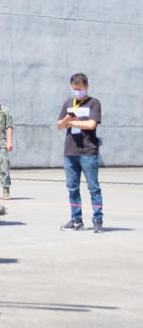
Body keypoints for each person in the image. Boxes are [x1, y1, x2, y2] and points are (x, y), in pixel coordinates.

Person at [57, 72, 103, 232]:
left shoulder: (93, 103)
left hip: (88, 151)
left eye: (80, 89)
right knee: (72, 187)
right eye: (75, 89)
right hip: (70, 152)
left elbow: (91, 125)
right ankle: (76, 219)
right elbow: (60, 125)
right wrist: (66, 121)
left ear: (86, 87)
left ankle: (97, 219)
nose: (77, 91)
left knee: (93, 187)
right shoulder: (68, 103)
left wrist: (74, 122)